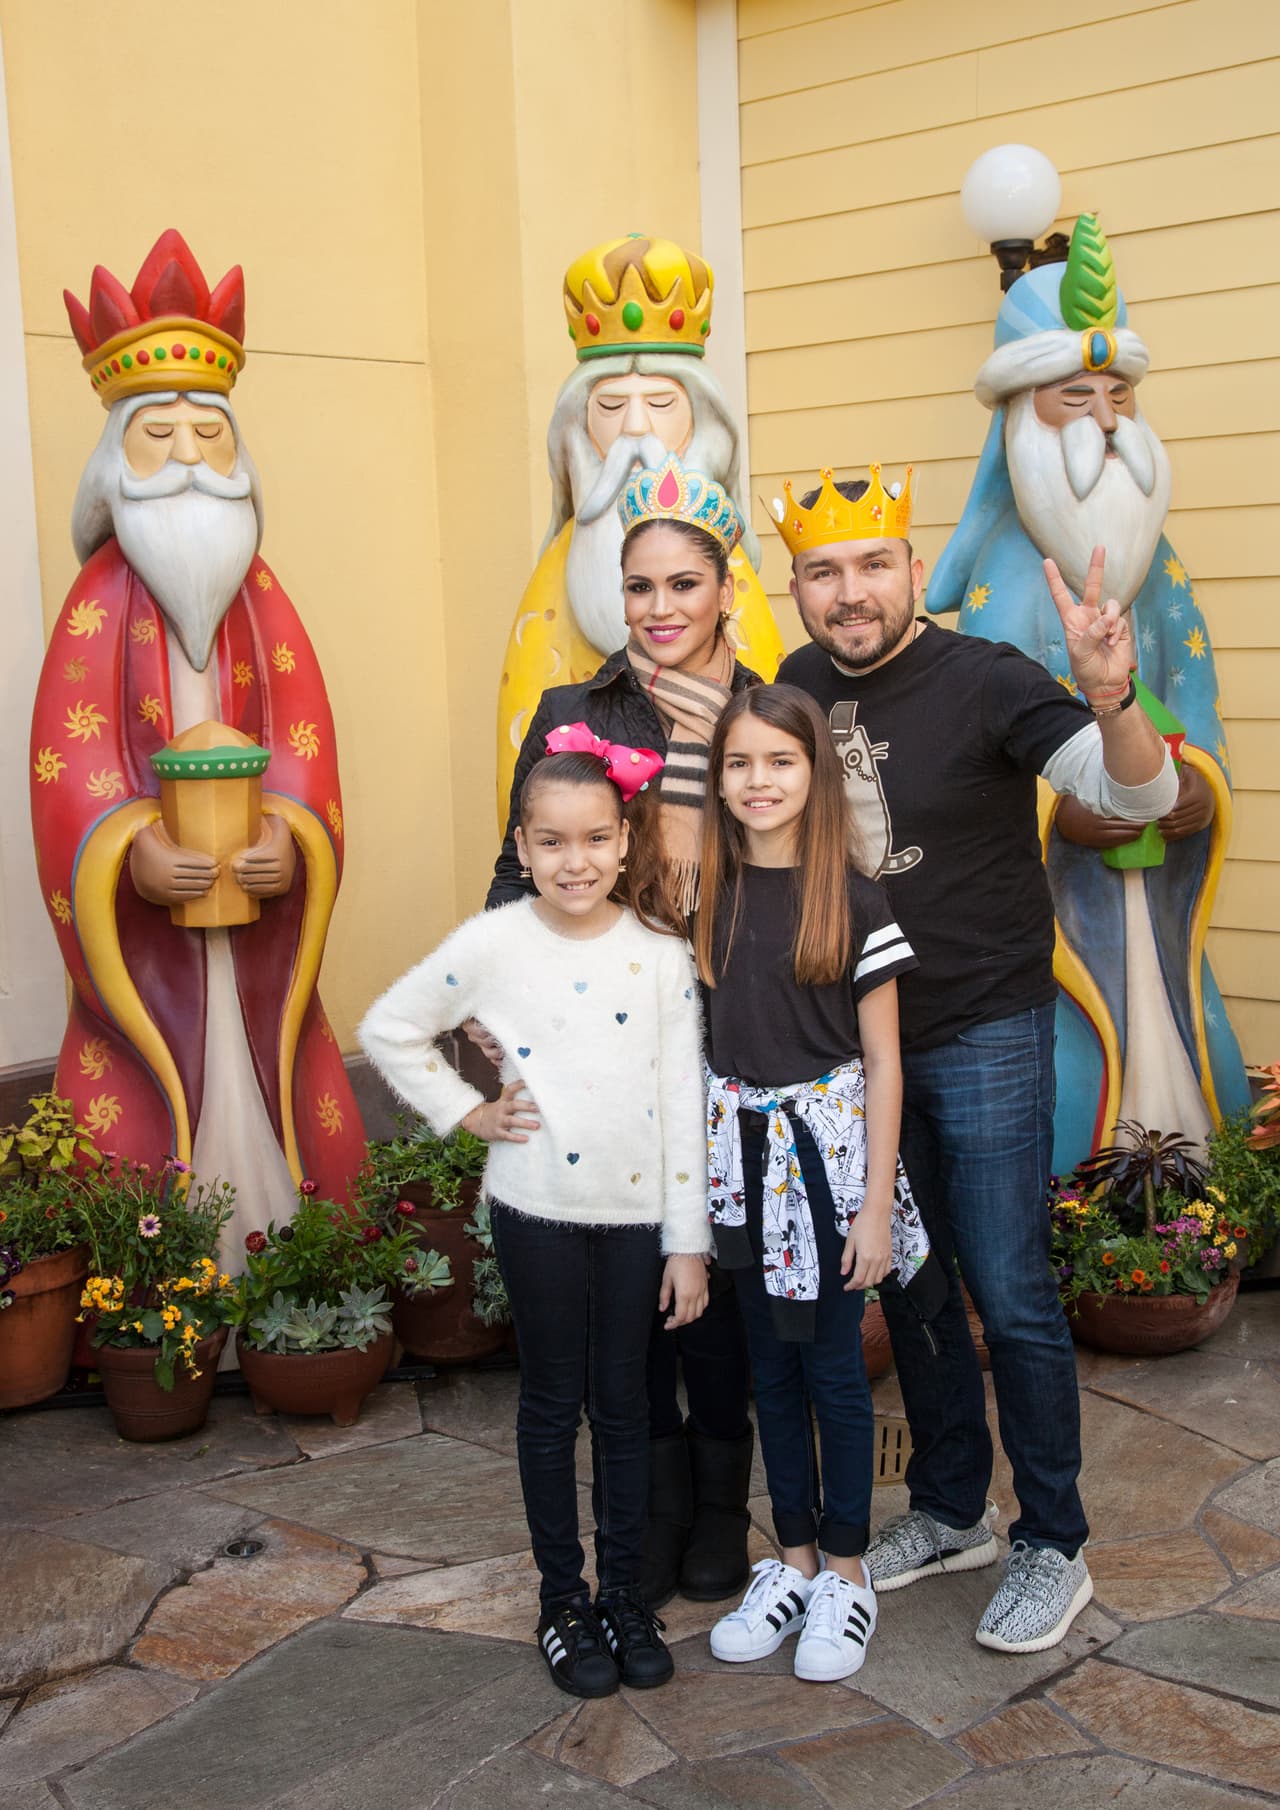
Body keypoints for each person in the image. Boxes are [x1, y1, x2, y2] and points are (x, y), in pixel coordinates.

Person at [774, 463, 1178, 1653]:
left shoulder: (988, 678)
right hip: (860, 1040)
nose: (849, 593)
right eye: (821, 571)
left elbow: (1133, 794)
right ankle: (951, 1508)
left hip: (986, 1028)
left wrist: (1111, 695)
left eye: (871, 564)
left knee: (1006, 1290)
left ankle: (1051, 1535)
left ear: (910, 567)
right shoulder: (793, 690)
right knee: (910, 1285)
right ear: (794, 586)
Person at [31, 229, 365, 1270]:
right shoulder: (95, 608)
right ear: (115, 461)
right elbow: (67, 765)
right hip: (153, 940)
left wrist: (289, 835)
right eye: (158, 434)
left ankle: (298, 1256)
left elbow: (306, 745)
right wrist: (126, 845)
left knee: (274, 1066)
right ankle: (157, 1287)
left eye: (207, 435)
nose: (185, 457)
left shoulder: (265, 606)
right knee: (140, 1107)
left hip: (255, 933)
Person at [360, 742, 710, 1699]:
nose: (575, 861)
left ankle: (626, 1596)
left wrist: (689, 1241)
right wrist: (466, 1112)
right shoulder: (495, 943)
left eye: (596, 838)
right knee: (553, 1407)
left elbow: (684, 1097)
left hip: (641, 1221)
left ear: (624, 837)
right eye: (551, 841)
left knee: (627, 1408)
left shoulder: (662, 955)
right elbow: (389, 1027)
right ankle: (564, 1600)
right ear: (522, 844)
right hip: (538, 1212)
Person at [487, 454, 759, 1610]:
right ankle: (645, 1520)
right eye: (637, 585)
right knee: (637, 1296)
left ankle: (718, 1511)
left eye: (680, 585)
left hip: (737, 1038)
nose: (657, 610)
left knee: (723, 1292)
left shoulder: (770, 706)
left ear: (721, 590)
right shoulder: (570, 714)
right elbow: (513, 881)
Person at [927, 212, 1248, 1168]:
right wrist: (1054, 813)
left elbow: (1195, 689)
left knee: (1186, 1030)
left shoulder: (1163, 566)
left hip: (1160, 866)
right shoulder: (1003, 576)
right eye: (1077, 396)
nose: (1107, 420)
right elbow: (978, 737)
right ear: (1026, 416)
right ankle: (1080, 1221)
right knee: (1072, 1061)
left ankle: (1198, 1205)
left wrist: (1199, 781)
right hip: (1060, 907)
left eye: (1119, 395)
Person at [698, 685, 935, 1682]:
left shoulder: (851, 895)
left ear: (813, 773)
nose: (759, 781)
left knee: (834, 1373)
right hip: (743, 1170)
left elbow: (882, 1062)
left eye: (780, 762)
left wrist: (874, 1205)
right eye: (740, 762)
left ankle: (845, 1571)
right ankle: (789, 1558)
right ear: (717, 776)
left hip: (829, 1172)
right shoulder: (704, 893)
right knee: (768, 1369)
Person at [496, 233, 783, 819]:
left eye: (659, 404)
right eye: (608, 407)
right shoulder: (564, 700)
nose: (633, 428)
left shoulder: (756, 689)